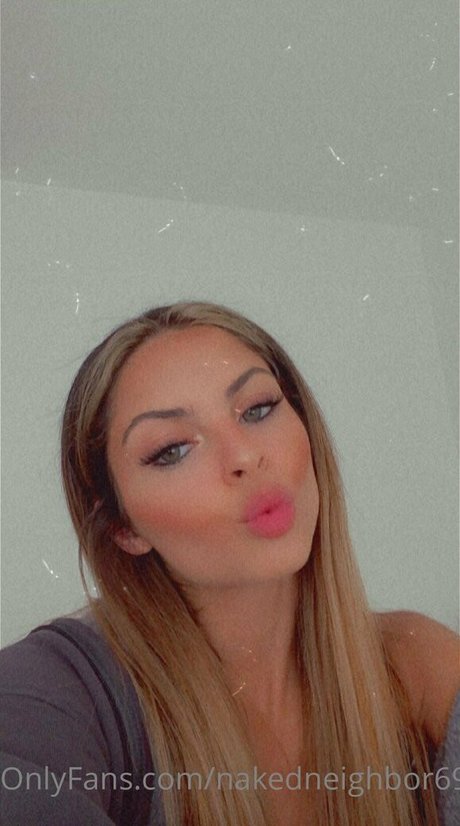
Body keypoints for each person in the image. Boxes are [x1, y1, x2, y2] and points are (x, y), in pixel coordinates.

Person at [1, 299, 459, 826]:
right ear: (123, 529)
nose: (243, 455)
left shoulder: (415, 668)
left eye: (258, 409)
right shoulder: (63, 687)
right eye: (172, 450)